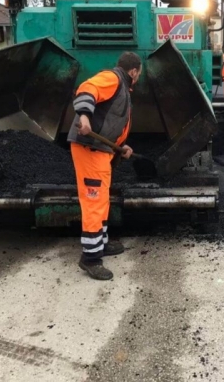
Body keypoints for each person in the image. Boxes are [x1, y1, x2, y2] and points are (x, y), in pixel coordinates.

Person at [67, 52, 142, 280]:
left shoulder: (122, 88)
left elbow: (109, 123)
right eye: (139, 73)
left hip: (102, 150)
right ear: (134, 72)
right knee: (93, 200)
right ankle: (90, 258)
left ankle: (101, 243)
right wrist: (85, 116)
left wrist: (122, 146)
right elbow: (87, 89)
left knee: (101, 198)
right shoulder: (113, 78)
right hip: (89, 149)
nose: (139, 77)